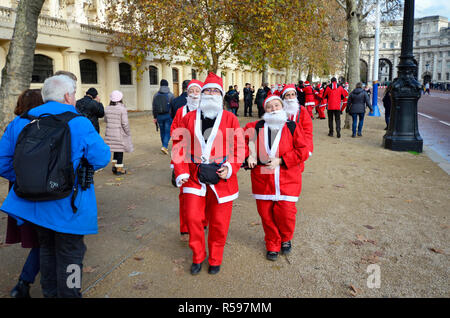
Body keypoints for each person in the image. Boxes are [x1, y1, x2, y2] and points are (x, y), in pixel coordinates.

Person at [0, 75, 110, 298]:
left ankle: (50, 293)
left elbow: (3, 162)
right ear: (68, 96)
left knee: (47, 250)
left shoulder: (21, 121)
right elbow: (102, 157)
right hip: (69, 203)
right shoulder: (78, 122)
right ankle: (71, 293)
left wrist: (32, 179)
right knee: (72, 254)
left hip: (34, 205)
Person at [172, 72, 244, 275]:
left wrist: (230, 167)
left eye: (215, 90)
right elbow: (179, 146)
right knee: (193, 218)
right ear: (202, 94)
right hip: (194, 176)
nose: (211, 93)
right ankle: (197, 256)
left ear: (220, 95)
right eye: (208, 90)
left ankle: (215, 258)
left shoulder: (230, 118)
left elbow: (239, 148)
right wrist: (180, 171)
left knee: (219, 223)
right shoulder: (187, 118)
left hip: (222, 178)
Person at [244, 93, 309, 261]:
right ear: (264, 109)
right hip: (263, 178)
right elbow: (241, 140)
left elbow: (302, 151)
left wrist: (282, 160)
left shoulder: (292, 126)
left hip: (287, 178)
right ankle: (272, 242)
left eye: (276, 106)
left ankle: (286, 237)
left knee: (286, 213)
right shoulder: (256, 126)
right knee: (266, 215)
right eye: (269, 107)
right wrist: (249, 155)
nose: (273, 109)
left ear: (282, 108)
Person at [5, 89, 43, 298]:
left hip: (19, 189)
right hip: (42, 189)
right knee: (45, 238)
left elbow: (3, 161)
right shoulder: (47, 123)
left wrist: (19, 177)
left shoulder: (14, 124)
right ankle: (24, 282)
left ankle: (24, 283)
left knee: (38, 238)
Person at [170, 79, 204, 241]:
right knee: (184, 195)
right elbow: (174, 132)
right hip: (185, 160)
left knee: (205, 193)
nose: (195, 94)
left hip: (204, 161)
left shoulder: (208, 110)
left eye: (198, 91)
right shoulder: (181, 111)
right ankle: (185, 227)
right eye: (191, 91)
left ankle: (202, 221)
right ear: (187, 93)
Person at [104, 90, 134, 174]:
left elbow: (105, 120)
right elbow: (125, 123)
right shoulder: (122, 109)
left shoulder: (107, 108)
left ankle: (114, 166)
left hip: (109, 132)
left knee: (115, 148)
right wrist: (127, 132)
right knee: (120, 149)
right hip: (119, 132)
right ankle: (119, 169)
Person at [280, 84, 314, 157]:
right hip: (281, 146)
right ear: (283, 97)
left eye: (293, 95)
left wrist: (308, 148)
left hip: (298, 146)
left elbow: (308, 131)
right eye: (287, 95)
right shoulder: (279, 110)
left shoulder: (302, 110)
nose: (291, 98)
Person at [153, 79, 175, 155]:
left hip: (159, 116)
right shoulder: (171, 94)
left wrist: (155, 117)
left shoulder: (156, 95)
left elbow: (154, 107)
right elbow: (173, 106)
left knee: (162, 131)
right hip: (168, 116)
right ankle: (164, 146)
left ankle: (164, 146)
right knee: (168, 131)